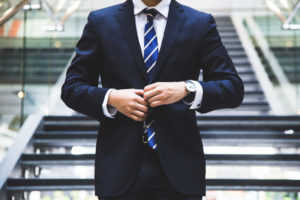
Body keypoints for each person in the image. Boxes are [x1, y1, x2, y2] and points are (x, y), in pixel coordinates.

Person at [61, 0, 244, 199]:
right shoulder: (101, 21)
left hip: (181, 170)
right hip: (118, 169)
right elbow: (72, 88)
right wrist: (112, 98)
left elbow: (232, 87)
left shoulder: (199, 22)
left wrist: (186, 88)